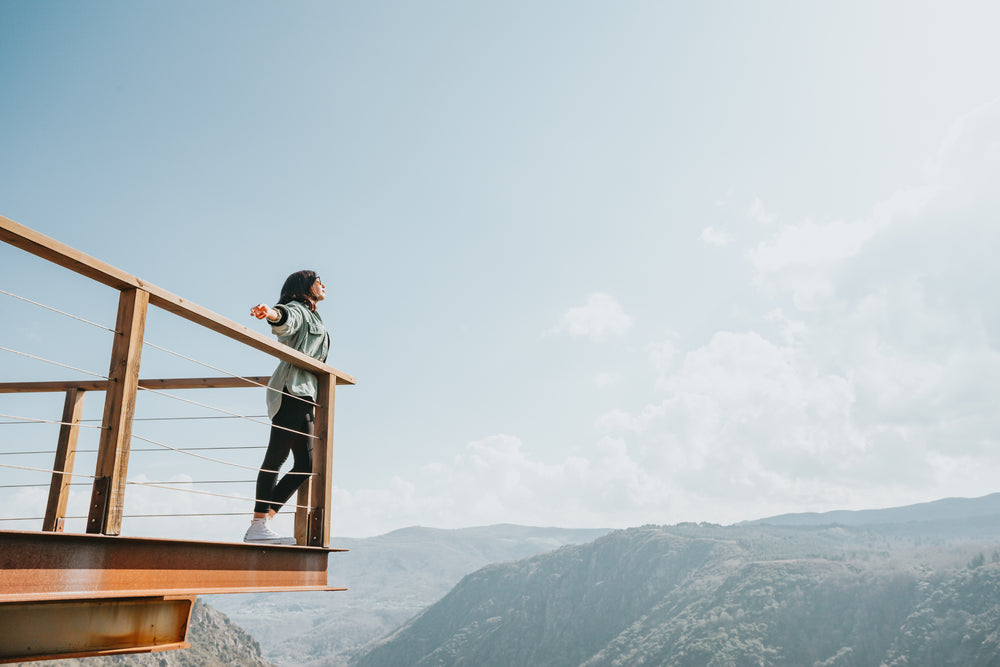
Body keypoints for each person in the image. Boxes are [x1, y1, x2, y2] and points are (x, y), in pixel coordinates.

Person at [244, 270, 330, 544]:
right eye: (319, 281)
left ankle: (264, 520)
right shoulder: (297, 309)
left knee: (306, 464)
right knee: (276, 457)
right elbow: (284, 319)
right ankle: (257, 525)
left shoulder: (314, 315)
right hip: (291, 390)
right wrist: (270, 313)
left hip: (305, 394)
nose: (324, 285)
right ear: (306, 286)